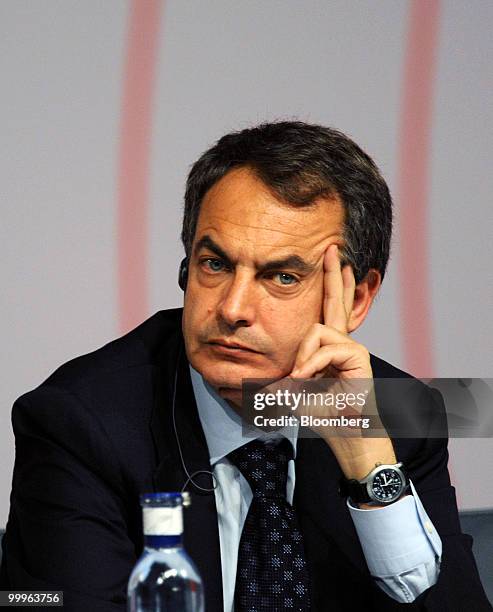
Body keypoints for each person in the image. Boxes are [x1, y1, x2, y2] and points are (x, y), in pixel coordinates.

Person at [0, 121, 490, 611]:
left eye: (281, 276)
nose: (232, 308)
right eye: (215, 265)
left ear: (357, 297)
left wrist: (366, 463)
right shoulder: (80, 422)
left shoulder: (401, 415)